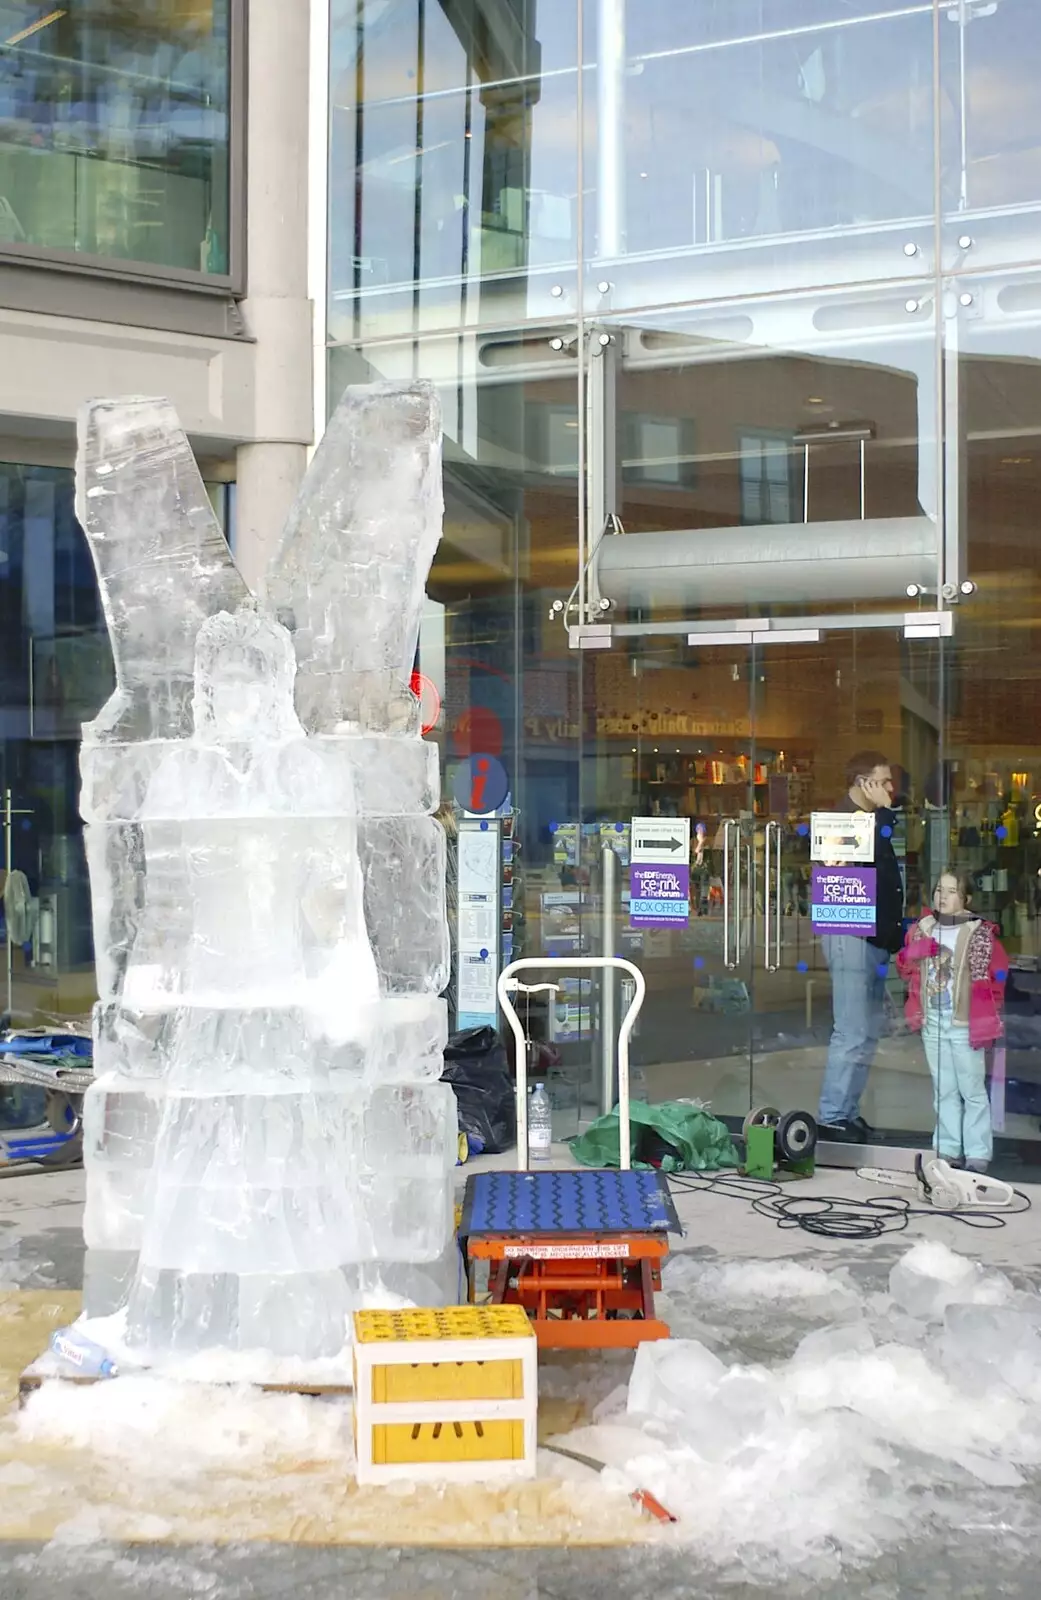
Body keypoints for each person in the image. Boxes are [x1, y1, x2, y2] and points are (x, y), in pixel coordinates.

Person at [817, 750, 905, 1139]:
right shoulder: (844, 821)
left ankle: (847, 1112)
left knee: (866, 1033)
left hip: (871, 937)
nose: (891, 789)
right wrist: (886, 812)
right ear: (862, 783)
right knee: (851, 1030)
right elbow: (858, 858)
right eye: (883, 781)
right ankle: (832, 1116)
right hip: (850, 935)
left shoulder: (870, 820)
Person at [897, 870, 1007, 1173]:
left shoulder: (979, 932)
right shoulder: (924, 928)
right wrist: (913, 952)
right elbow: (904, 966)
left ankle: (977, 1153)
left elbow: (998, 978)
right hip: (932, 1020)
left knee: (971, 1089)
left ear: (966, 898)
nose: (942, 897)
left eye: (951, 891)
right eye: (938, 890)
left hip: (963, 1023)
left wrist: (984, 1015)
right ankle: (946, 1149)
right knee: (943, 1088)